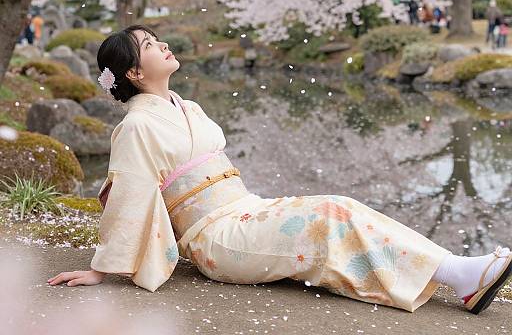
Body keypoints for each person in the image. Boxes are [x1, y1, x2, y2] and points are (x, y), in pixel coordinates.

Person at [48, 25, 512, 315]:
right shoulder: (136, 126)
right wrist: (102, 269)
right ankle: (458, 274)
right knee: (329, 213)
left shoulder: (183, 105)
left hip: (243, 210)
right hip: (215, 236)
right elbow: (128, 193)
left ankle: (455, 272)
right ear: (132, 72)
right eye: (150, 45)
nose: (164, 44)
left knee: (338, 207)